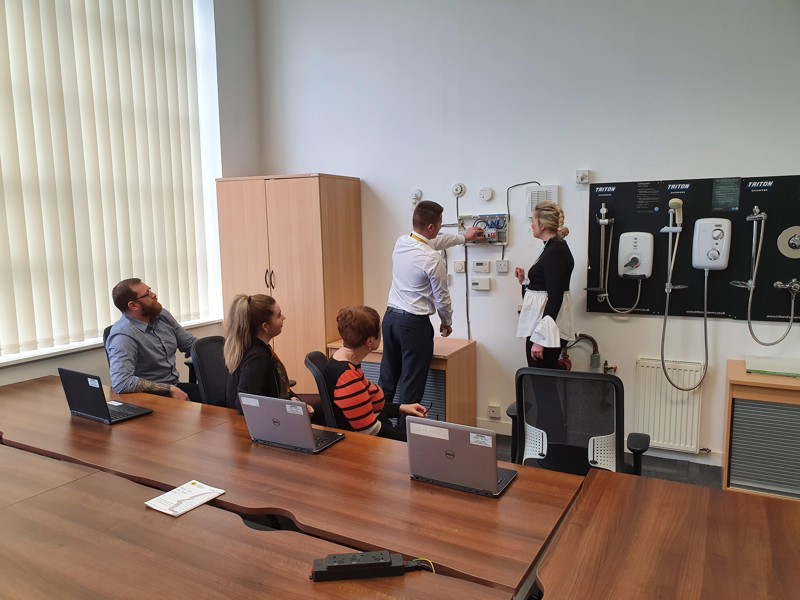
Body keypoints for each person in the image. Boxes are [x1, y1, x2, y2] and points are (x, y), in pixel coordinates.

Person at [379, 200, 483, 413]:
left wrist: (463, 238)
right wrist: (447, 321)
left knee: (387, 380)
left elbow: (437, 241)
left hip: (389, 320)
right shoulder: (432, 258)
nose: (441, 227)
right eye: (440, 224)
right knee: (411, 388)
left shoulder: (401, 242)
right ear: (431, 227)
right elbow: (442, 297)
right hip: (413, 326)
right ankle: (404, 441)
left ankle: (377, 432)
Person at [324, 306, 427, 441]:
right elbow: (370, 430)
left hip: (378, 432)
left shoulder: (343, 360)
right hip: (372, 445)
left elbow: (365, 405)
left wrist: (402, 408)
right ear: (370, 341)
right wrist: (412, 440)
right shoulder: (347, 377)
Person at [106, 278, 200, 401]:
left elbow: (190, 344)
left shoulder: (161, 315)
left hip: (174, 386)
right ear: (133, 305)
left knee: (220, 397)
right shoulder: (123, 336)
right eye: (148, 294)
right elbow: (121, 382)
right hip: (146, 397)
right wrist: (168, 389)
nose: (154, 295)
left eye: (150, 290)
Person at [223, 294, 314, 416]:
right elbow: (245, 403)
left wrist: (294, 401)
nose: (284, 318)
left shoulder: (259, 348)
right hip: (263, 425)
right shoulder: (257, 357)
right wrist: (287, 406)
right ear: (265, 326)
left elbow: (277, 386)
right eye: (278, 315)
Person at [515, 200, 575, 369]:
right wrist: (525, 282)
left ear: (542, 225)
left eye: (533, 221)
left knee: (541, 383)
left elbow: (555, 298)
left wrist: (540, 340)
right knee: (542, 381)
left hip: (544, 330)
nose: (531, 225)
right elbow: (543, 289)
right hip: (541, 325)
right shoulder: (551, 247)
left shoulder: (555, 250)